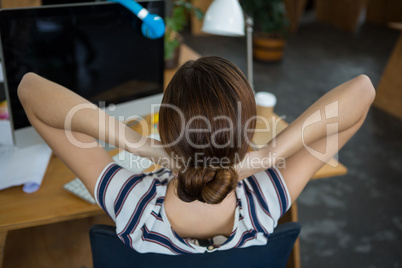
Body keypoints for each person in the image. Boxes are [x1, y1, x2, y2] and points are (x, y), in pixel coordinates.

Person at [18, 56, 375, 254]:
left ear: (166, 133)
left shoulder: (134, 204)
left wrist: (141, 145)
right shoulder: (264, 203)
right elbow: (362, 92)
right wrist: (266, 155)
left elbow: (30, 90)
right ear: (245, 134)